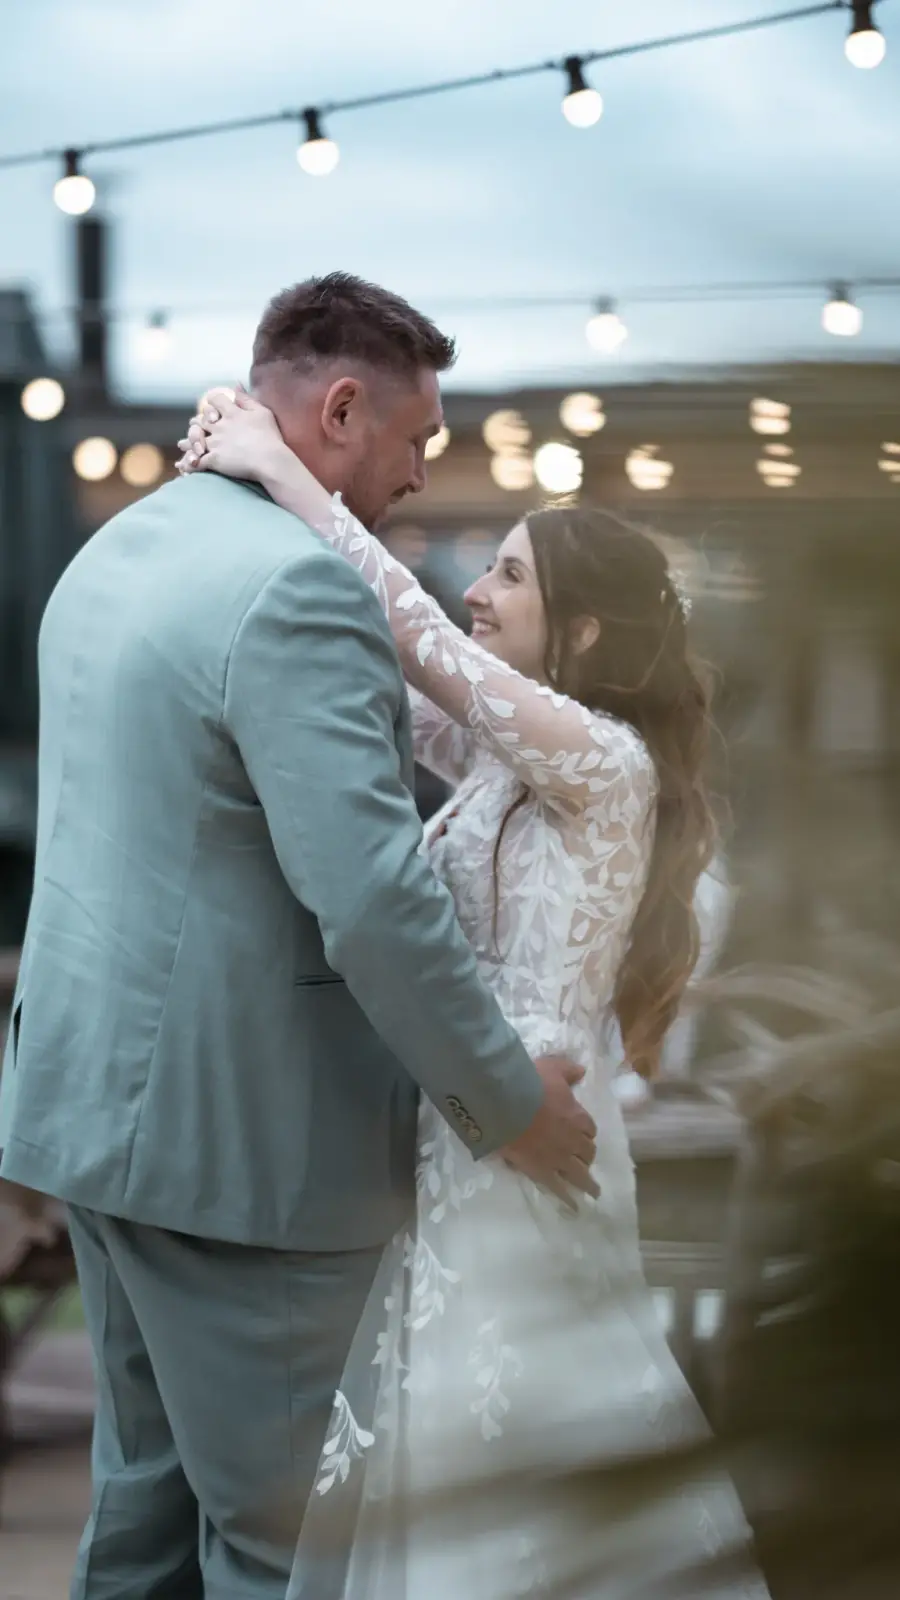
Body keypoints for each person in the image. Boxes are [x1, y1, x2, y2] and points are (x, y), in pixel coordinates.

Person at [0, 274, 598, 1600]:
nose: (421, 475)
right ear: (340, 410)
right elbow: (375, 897)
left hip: (89, 1124)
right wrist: (509, 1104)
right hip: (242, 1157)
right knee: (285, 1550)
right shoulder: (300, 597)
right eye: (418, 440)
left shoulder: (117, 554)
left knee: (144, 1524)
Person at [178, 371, 771, 1597]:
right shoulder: (510, 765)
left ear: (587, 634)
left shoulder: (606, 763)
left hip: (524, 1149)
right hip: (468, 1135)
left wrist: (281, 470)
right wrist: (248, 488)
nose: (477, 590)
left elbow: (418, 639)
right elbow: (371, 675)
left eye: (509, 574)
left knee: (515, 1469)